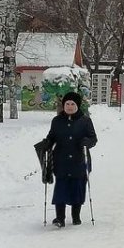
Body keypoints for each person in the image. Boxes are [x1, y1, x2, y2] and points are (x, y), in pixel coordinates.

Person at [45, 91, 97, 227]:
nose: (69, 106)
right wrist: (47, 143)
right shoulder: (57, 121)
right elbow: (52, 136)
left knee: (77, 188)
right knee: (60, 189)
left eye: (72, 104)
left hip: (79, 160)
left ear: (77, 105)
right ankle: (60, 218)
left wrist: (87, 141)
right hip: (61, 160)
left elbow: (93, 138)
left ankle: (76, 216)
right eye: (67, 104)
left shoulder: (85, 121)